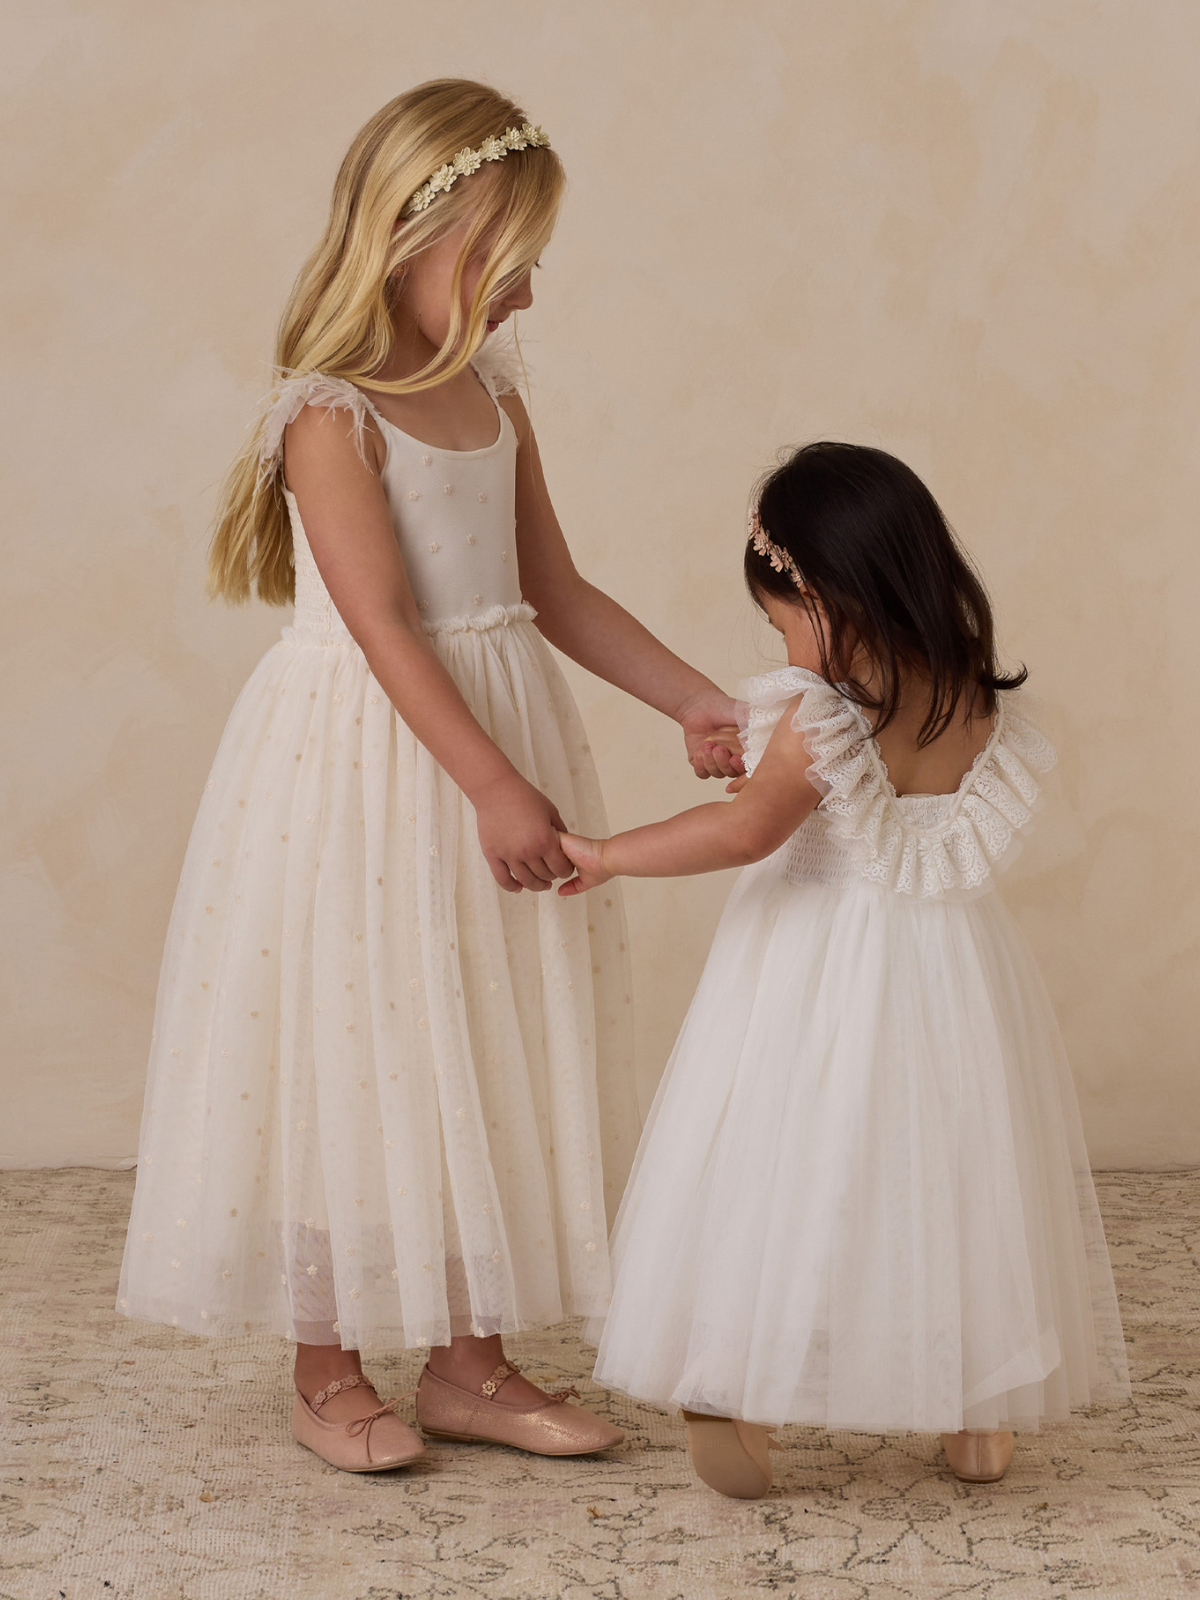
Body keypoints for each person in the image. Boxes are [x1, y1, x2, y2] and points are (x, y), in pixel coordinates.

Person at [117, 79, 744, 1473]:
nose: (526, 285)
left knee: (487, 1025)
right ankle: (327, 1363)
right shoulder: (329, 414)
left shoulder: (493, 394)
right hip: (378, 759)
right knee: (360, 1033)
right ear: (411, 235)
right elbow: (383, 624)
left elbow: (556, 589)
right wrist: (491, 786)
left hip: (495, 732)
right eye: (503, 252)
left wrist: (693, 698)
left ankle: (471, 1361)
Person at [560, 442, 1130, 1498]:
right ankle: (974, 1402)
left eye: (782, 622)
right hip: (953, 972)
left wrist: (607, 853)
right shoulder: (971, 696)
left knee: (785, 1166)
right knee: (950, 1173)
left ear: (824, 594)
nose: (781, 645)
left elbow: (745, 836)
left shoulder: (820, 710)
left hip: (814, 972)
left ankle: (739, 1386)